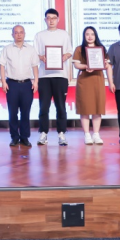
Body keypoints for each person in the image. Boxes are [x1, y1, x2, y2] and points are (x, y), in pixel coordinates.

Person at [33, 8, 72, 146]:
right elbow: (35, 54)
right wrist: (41, 57)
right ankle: (43, 133)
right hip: (44, 76)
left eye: (54, 18)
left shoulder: (64, 34)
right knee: (44, 106)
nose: (51, 20)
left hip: (60, 76)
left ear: (58, 19)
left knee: (61, 106)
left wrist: (64, 57)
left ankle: (62, 133)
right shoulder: (39, 35)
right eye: (48, 18)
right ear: (45, 20)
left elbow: (69, 52)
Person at [0, 25, 39, 147]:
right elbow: (2, 66)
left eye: (21, 32)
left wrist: (36, 81)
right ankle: (14, 137)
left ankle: (24, 137)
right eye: (16, 32)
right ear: (12, 34)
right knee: (12, 112)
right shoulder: (7, 49)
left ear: (24, 34)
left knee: (25, 112)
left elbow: (35, 66)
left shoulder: (31, 49)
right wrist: (3, 82)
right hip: (12, 84)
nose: (19, 34)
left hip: (27, 84)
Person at [72, 26, 108, 145]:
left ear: (95, 35)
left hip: (97, 79)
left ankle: (96, 134)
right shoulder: (79, 49)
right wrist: (86, 66)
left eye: (92, 34)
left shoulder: (101, 48)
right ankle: (87, 134)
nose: (90, 36)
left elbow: (107, 64)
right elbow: (76, 65)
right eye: (87, 34)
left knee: (97, 108)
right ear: (84, 36)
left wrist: (104, 64)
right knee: (85, 108)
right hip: (85, 80)